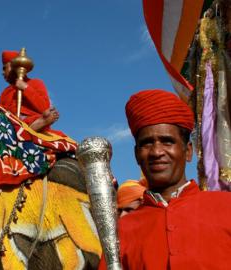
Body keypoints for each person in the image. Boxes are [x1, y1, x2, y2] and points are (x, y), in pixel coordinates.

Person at [98, 89, 231, 269]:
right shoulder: (121, 232)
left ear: (188, 150)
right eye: (147, 143)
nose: (156, 152)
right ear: (137, 155)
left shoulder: (226, 207)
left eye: (167, 141)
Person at [0, 50, 59, 132]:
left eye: (4, 68)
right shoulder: (5, 92)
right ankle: (24, 130)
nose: (2, 72)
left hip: (31, 120)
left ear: (14, 66)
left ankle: (40, 123)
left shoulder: (36, 82)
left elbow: (44, 108)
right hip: (10, 122)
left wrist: (25, 87)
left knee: (38, 118)